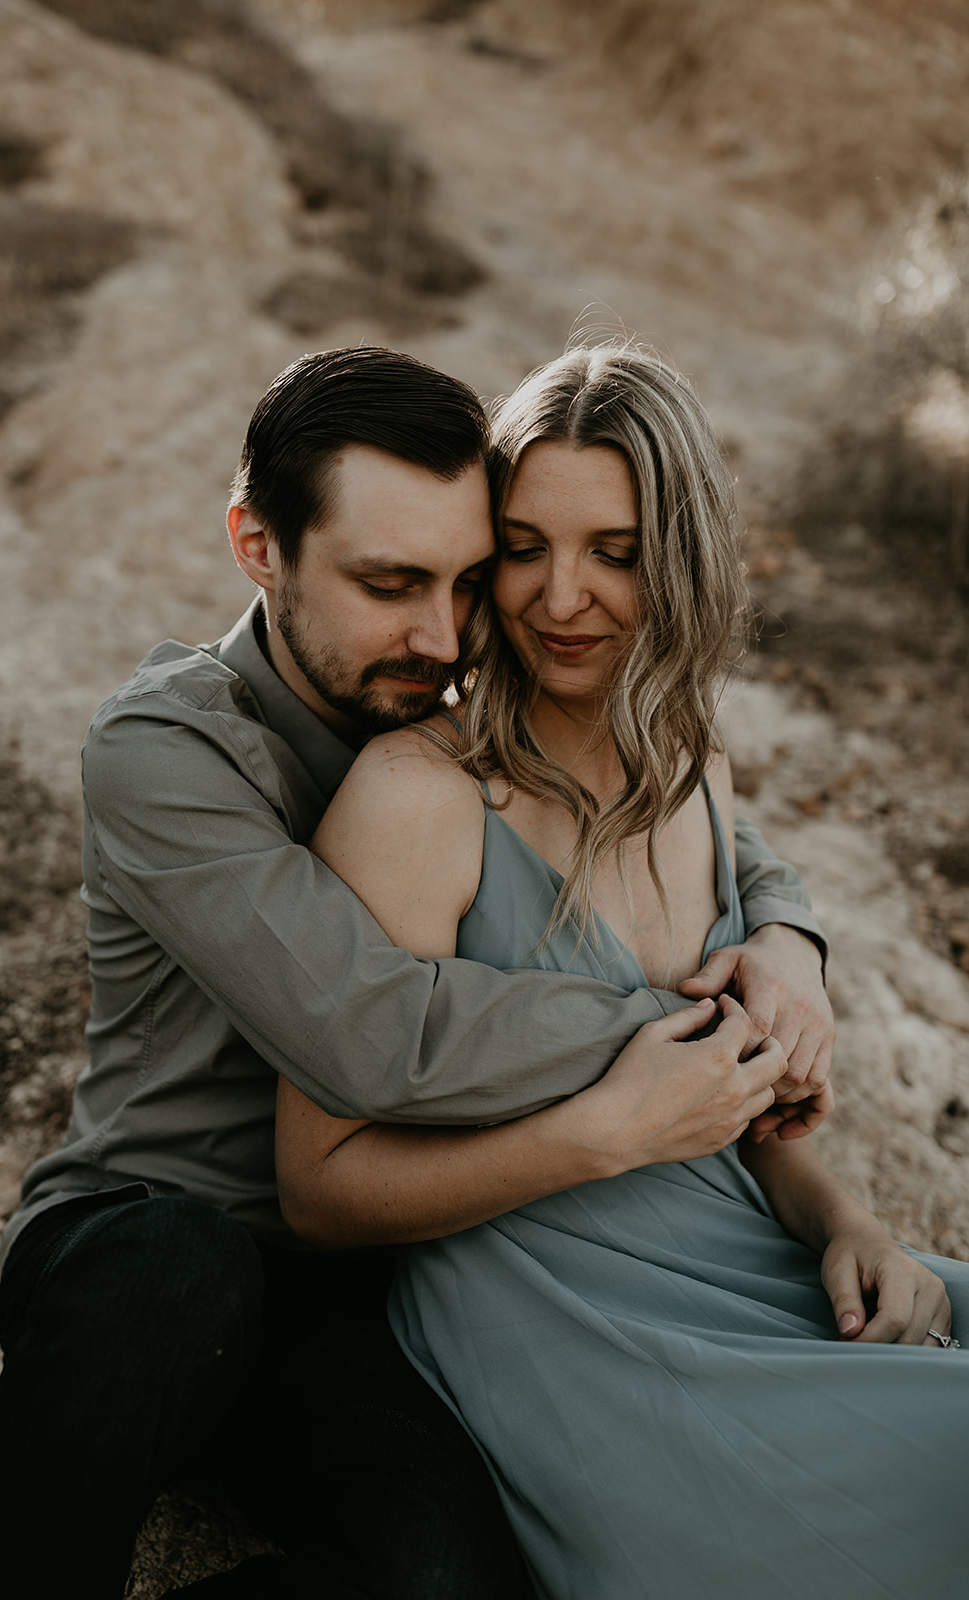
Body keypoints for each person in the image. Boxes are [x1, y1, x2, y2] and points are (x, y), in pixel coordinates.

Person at [0, 347, 832, 1600]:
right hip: (148, 1246)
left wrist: (787, 938)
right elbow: (370, 1028)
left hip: (360, 1287)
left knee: (444, 1570)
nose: (445, 631)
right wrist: (685, 1025)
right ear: (257, 545)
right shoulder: (167, 749)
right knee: (176, 1271)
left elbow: (697, 820)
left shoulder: (441, 694)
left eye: (465, 578)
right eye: (390, 582)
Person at [275, 343, 969, 1600]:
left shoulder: (691, 764)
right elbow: (317, 1189)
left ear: (682, 557)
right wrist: (595, 1134)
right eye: (525, 545)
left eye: (615, 549)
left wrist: (846, 1223)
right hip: (563, 1331)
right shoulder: (415, 799)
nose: (558, 597)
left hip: (751, 1254)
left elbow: (723, 1099)